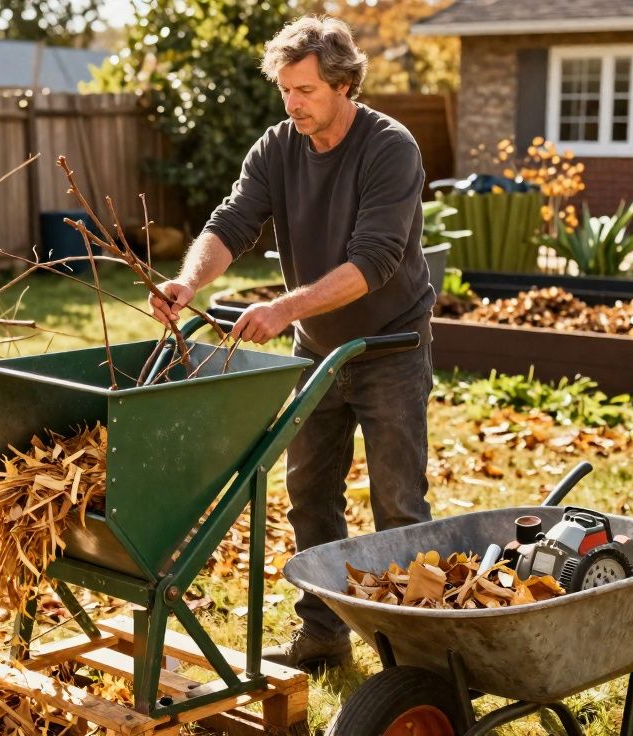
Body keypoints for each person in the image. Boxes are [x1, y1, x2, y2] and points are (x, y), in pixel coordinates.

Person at [149, 15, 435, 672]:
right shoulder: (278, 148)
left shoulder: (390, 147)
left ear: (343, 84)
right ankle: (324, 638)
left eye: (305, 90)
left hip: (389, 348)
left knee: (398, 502)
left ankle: (417, 658)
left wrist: (284, 307)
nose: (293, 103)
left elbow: (377, 261)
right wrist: (187, 282)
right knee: (308, 492)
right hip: (318, 352)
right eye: (285, 91)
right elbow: (232, 222)